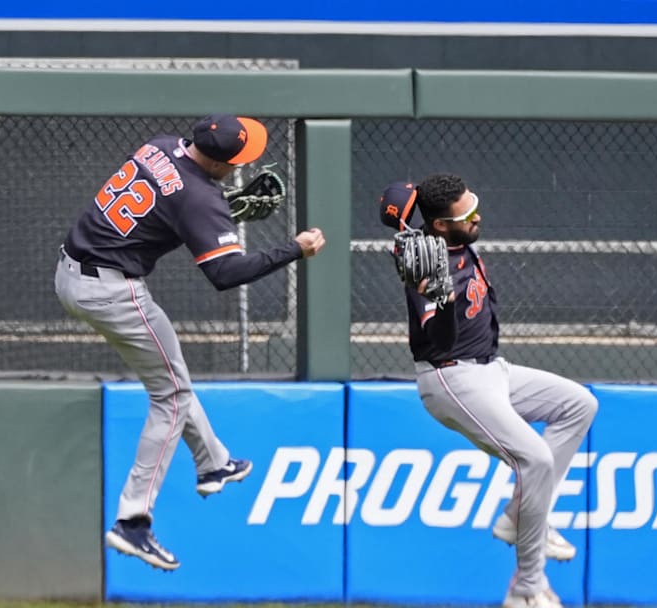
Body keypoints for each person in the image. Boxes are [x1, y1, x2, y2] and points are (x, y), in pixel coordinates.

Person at [55, 114, 326, 571]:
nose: (242, 165)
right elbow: (225, 272)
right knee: (173, 397)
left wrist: (217, 211)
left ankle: (214, 462)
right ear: (221, 163)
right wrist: (294, 249)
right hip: (112, 290)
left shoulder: (160, 146)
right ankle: (133, 521)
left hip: (72, 271)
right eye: (238, 160)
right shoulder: (201, 198)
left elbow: (165, 206)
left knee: (171, 377)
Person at [378, 175, 597, 608]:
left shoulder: (440, 238)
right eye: (466, 214)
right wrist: (437, 300)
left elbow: (401, 199)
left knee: (578, 404)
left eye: (474, 204)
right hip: (451, 377)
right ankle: (528, 586)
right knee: (534, 460)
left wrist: (405, 215)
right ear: (441, 226)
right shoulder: (430, 266)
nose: (477, 215)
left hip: (492, 370)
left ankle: (520, 516)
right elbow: (438, 341)